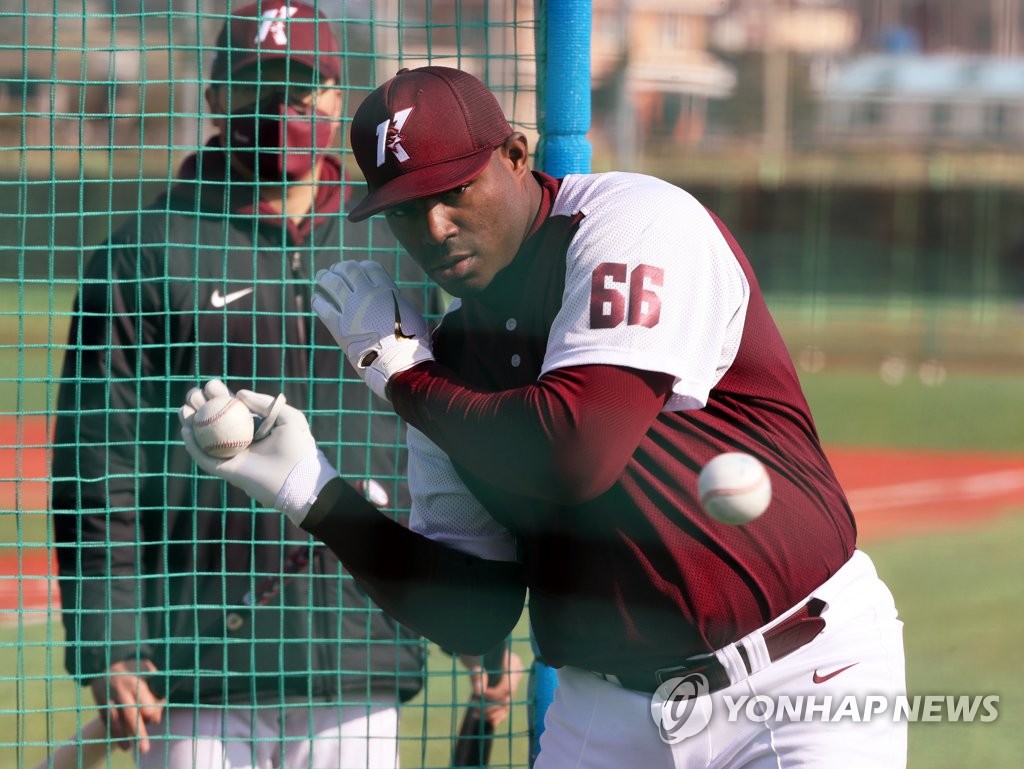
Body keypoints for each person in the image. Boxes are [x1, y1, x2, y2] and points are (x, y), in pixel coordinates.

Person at [180, 66, 908, 769]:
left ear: (516, 154)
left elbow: (575, 452)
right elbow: (474, 612)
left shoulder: (630, 223)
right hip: (607, 709)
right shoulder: (446, 364)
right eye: (403, 208)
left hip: (801, 673)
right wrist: (314, 493)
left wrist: (401, 376)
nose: (434, 226)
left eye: (454, 189)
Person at [51, 6, 440, 768]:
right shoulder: (143, 253)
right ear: (215, 98)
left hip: (357, 651)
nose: (283, 113)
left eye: (302, 93)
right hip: (192, 665)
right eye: (257, 88)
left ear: (337, 97)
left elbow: (445, 435)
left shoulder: (397, 240)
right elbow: (100, 462)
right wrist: (110, 644)